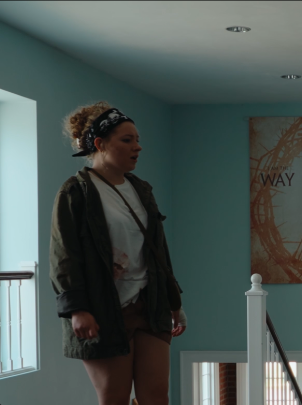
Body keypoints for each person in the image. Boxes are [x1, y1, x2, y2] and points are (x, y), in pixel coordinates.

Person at [50, 101, 187, 405]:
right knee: (114, 398)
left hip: (149, 304)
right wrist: (77, 310)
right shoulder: (76, 192)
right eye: (127, 140)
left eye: (137, 139)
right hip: (103, 309)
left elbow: (157, 250)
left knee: (157, 397)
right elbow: (64, 256)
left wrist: (173, 300)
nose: (138, 147)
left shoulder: (141, 190)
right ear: (100, 144)